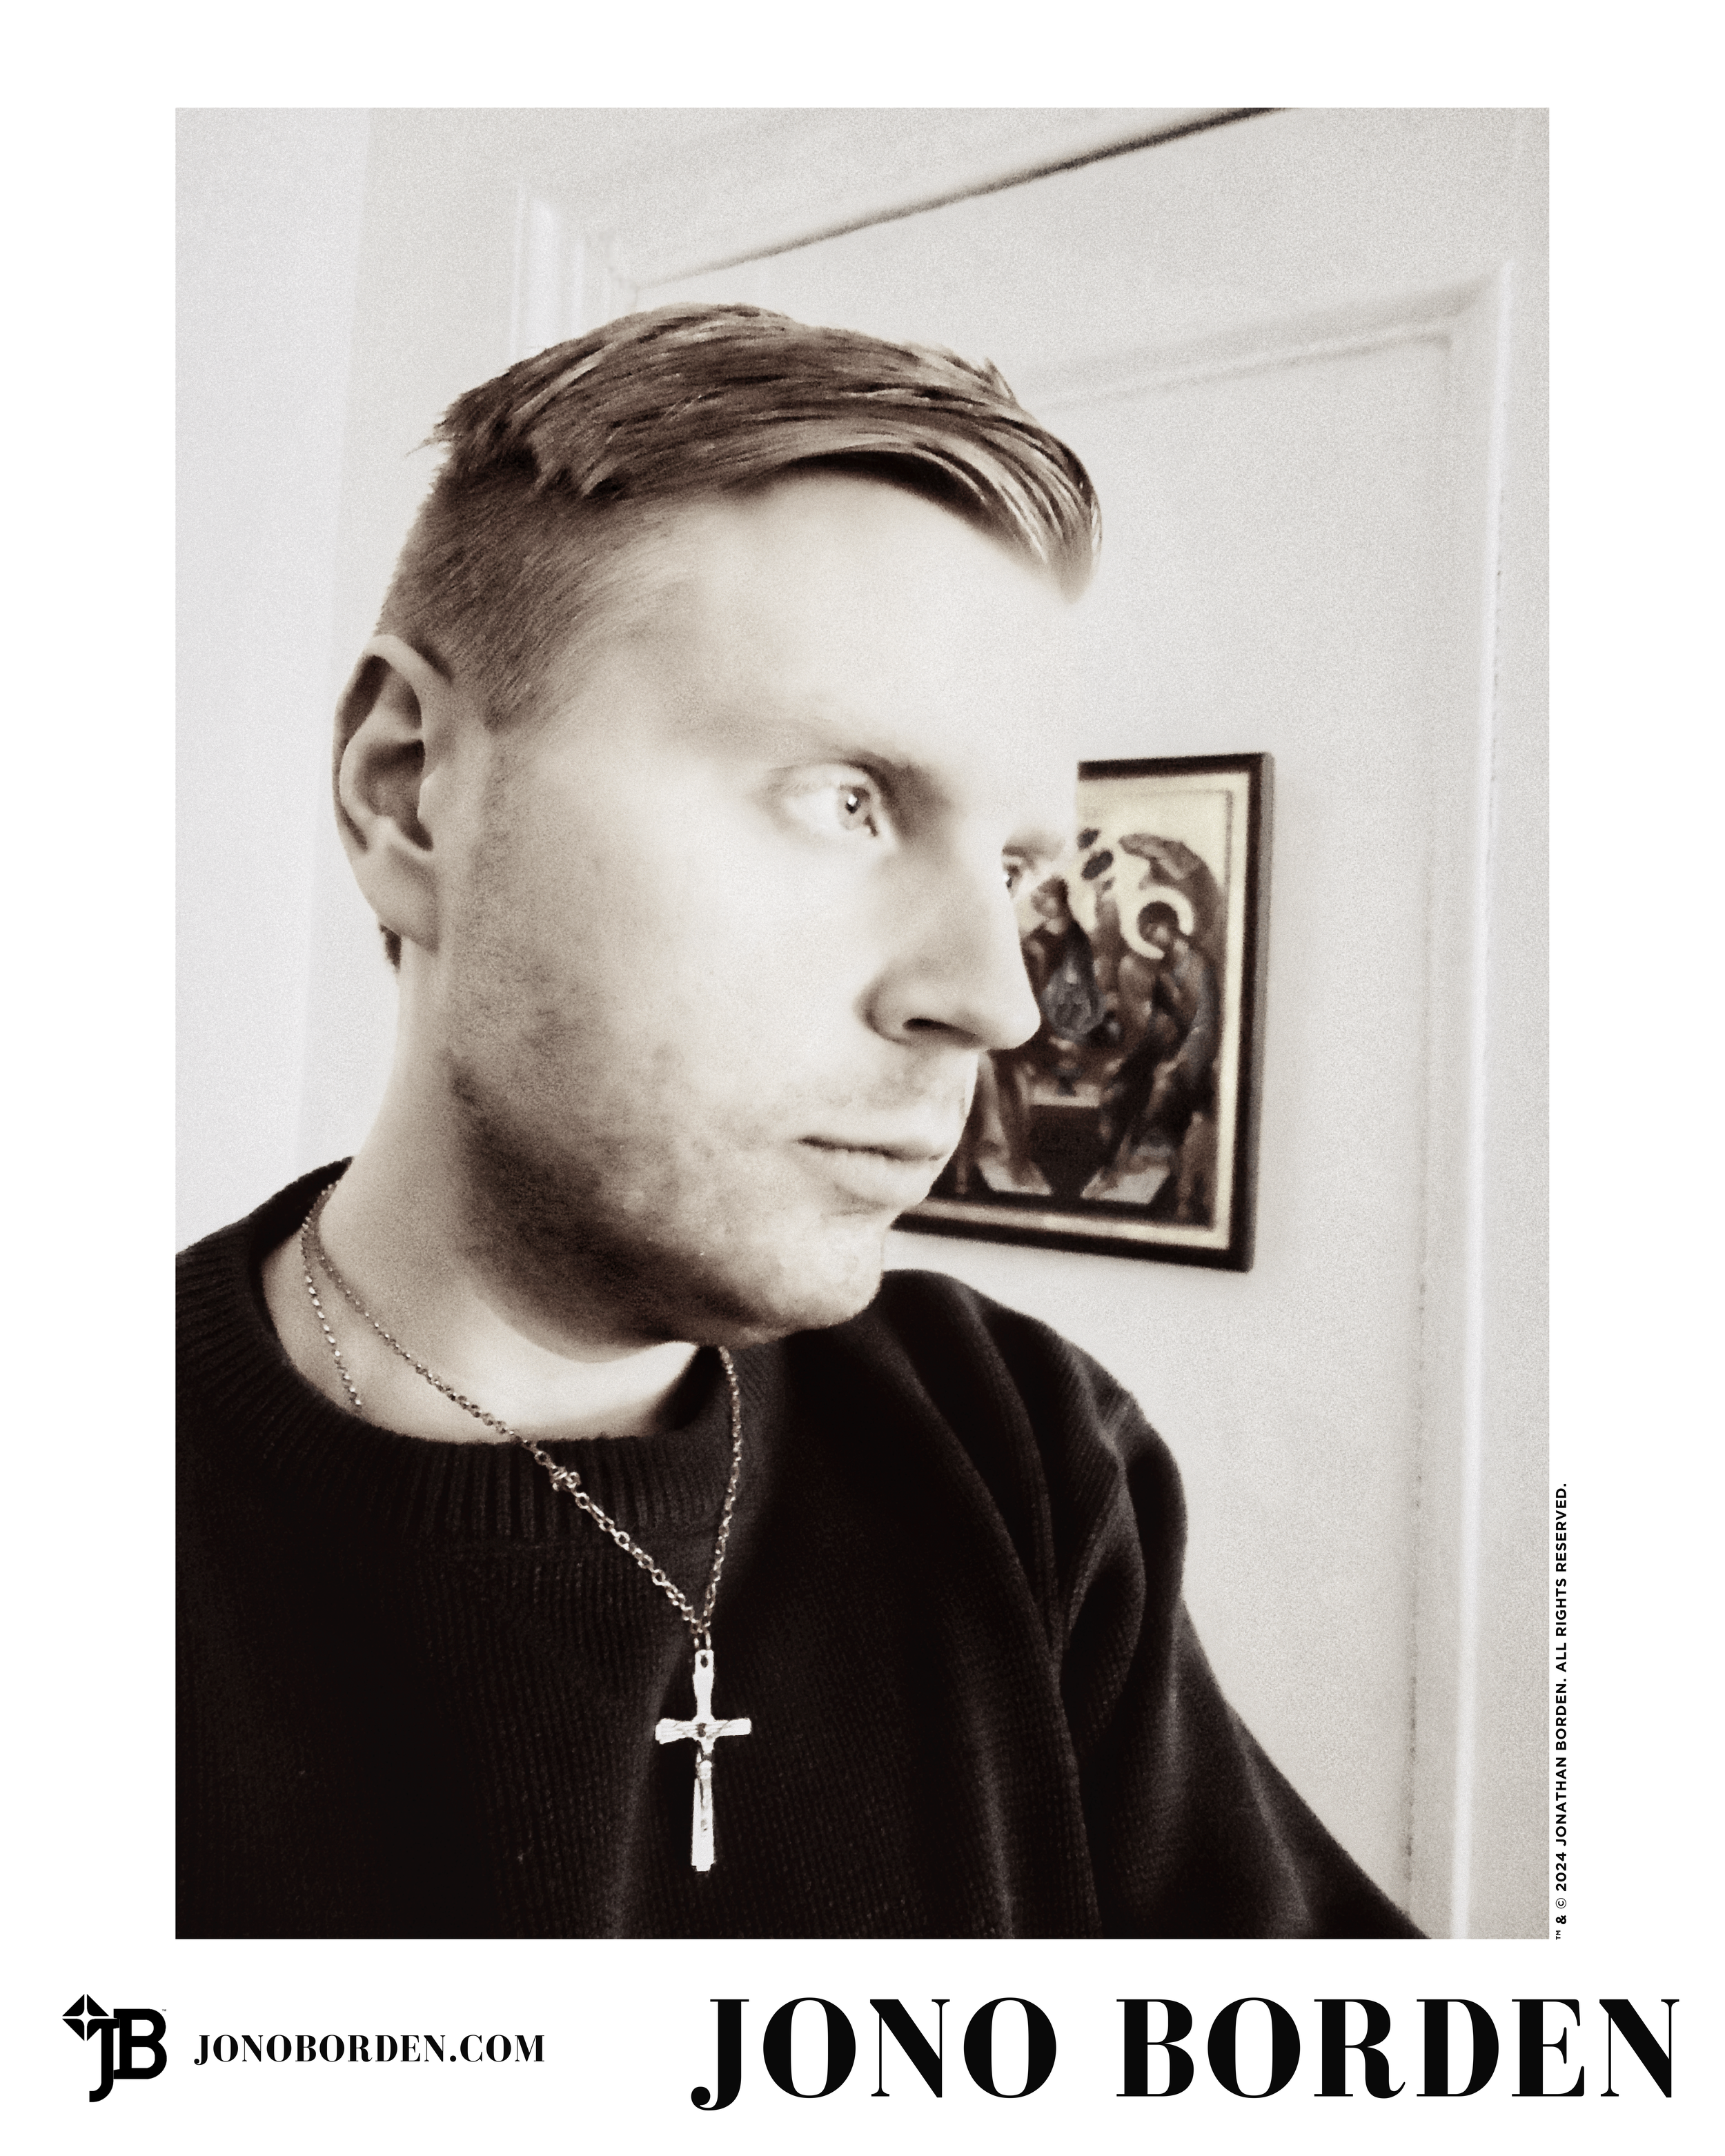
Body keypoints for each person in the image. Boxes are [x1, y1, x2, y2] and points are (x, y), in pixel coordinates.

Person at [178, 303, 1419, 1939]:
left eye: (1015, 870)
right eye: (847, 799)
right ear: (413, 787)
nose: (997, 999)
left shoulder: (1013, 1444)